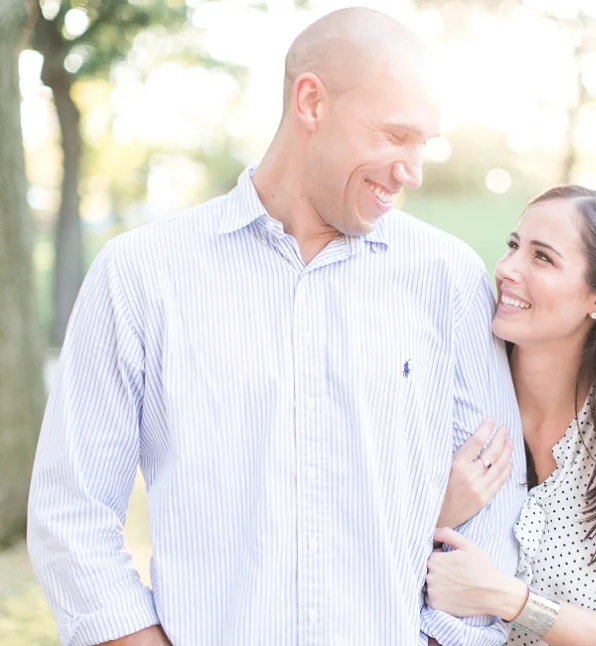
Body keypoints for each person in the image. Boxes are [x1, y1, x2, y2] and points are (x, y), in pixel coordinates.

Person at [27, 7, 525, 646]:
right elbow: (73, 514)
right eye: (396, 136)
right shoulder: (140, 276)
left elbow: (498, 493)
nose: (413, 171)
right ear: (311, 102)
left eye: (423, 144)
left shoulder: (448, 277)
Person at [425, 186, 596, 645]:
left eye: (542, 258)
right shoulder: (454, 403)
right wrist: (440, 513)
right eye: (513, 246)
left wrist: (510, 600)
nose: (506, 269)